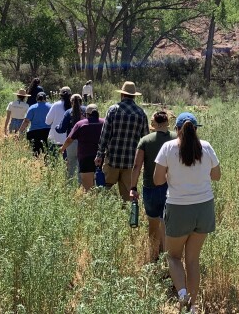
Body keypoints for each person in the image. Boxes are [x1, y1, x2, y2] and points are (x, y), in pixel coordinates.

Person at [154, 112, 221, 313]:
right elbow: (216, 176)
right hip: (204, 207)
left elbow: (158, 180)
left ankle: (182, 294)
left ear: (177, 129)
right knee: (193, 259)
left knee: (173, 256)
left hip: (178, 208)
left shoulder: (168, 148)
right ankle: (193, 305)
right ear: (196, 129)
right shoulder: (206, 147)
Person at [130, 110, 173, 262]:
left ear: (153, 123)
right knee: (167, 224)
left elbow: (137, 166)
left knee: (153, 224)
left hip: (151, 186)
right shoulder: (176, 138)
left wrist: (133, 187)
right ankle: (167, 256)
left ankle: (154, 256)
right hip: (172, 188)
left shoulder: (146, 140)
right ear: (168, 122)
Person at [95, 81, 149, 202]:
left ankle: (104, 214)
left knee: (104, 192)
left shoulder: (113, 110)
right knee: (127, 197)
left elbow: (105, 135)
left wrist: (99, 154)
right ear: (134, 96)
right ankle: (126, 218)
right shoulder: (141, 114)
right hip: (130, 162)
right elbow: (146, 139)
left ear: (122, 95)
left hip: (112, 159)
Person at [60, 104, 104, 191]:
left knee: (88, 188)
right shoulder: (104, 122)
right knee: (101, 184)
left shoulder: (81, 124)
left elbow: (69, 139)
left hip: (85, 157)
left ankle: (91, 202)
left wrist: (62, 148)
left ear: (86, 114)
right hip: (101, 157)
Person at [57, 93, 86, 181]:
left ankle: (69, 184)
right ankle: (80, 186)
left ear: (71, 102)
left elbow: (61, 129)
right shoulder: (86, 110)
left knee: (71, 165)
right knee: (81, 165)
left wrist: (56, 127)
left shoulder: (68, 112)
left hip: (71, 143)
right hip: (84, 142)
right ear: (82, 101)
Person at [45, 86, 73, 154]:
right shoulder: (74, 106)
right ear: (70, 95)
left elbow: (48, 122)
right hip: (70, 140)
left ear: (60, 95)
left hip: (55, 138)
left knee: (54, 161)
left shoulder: (55, 105)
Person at [24, 91, 52, 156]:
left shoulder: (32, 107)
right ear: (45, 98)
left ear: (37, 99)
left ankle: (36, 163)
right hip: (48, 132)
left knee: (35, 152)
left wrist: (20, 131)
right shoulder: (51, 106)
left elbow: (26, 121)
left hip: (35, 132)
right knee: (47, 151)